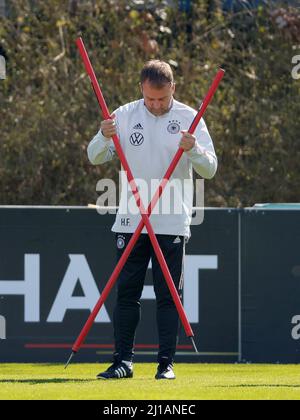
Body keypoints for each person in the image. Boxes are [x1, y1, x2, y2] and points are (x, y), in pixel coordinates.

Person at [87, 60, 217, 380]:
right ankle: (123, 362)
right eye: (150, 99)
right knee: (127, 292)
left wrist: (194, 149)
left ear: (173, 88)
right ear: (141, 89)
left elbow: (210, 168)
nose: (156, 105)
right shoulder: (125, 114)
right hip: (131, 218)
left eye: (161, 98)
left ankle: (165, 365)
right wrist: (104, 137)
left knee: (168, 295)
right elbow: (94, 156)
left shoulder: (190, 118)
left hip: (171, 220)